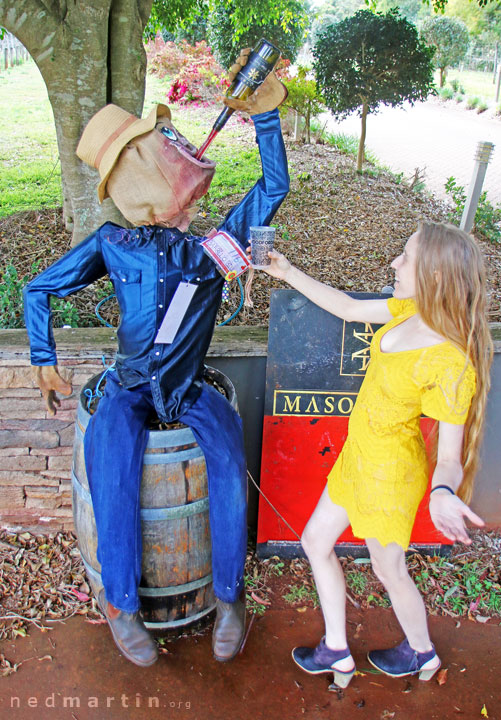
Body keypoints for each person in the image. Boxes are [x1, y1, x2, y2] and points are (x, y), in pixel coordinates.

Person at [23, 53, 289, 667]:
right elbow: (40, 288)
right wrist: (42, 357)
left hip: (191, 389)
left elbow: (273, 188)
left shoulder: (210, 252)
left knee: (226, 461)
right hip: (130, 386)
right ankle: (121, 603)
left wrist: (268, 118)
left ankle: (229, 597)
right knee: (110, 460)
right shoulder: (112, 245)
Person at [258, 221, 492, 688]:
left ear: (436, 276)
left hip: (390, 477)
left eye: (406, 258)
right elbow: (346, 308)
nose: (394, 263)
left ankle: (422, 652)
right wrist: (287, 274)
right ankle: (336, 650)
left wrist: (443, 491)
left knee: (388, 569)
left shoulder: (450, 361)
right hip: (357, 459)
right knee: (314, 542)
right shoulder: (409, 309)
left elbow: (448, 456)